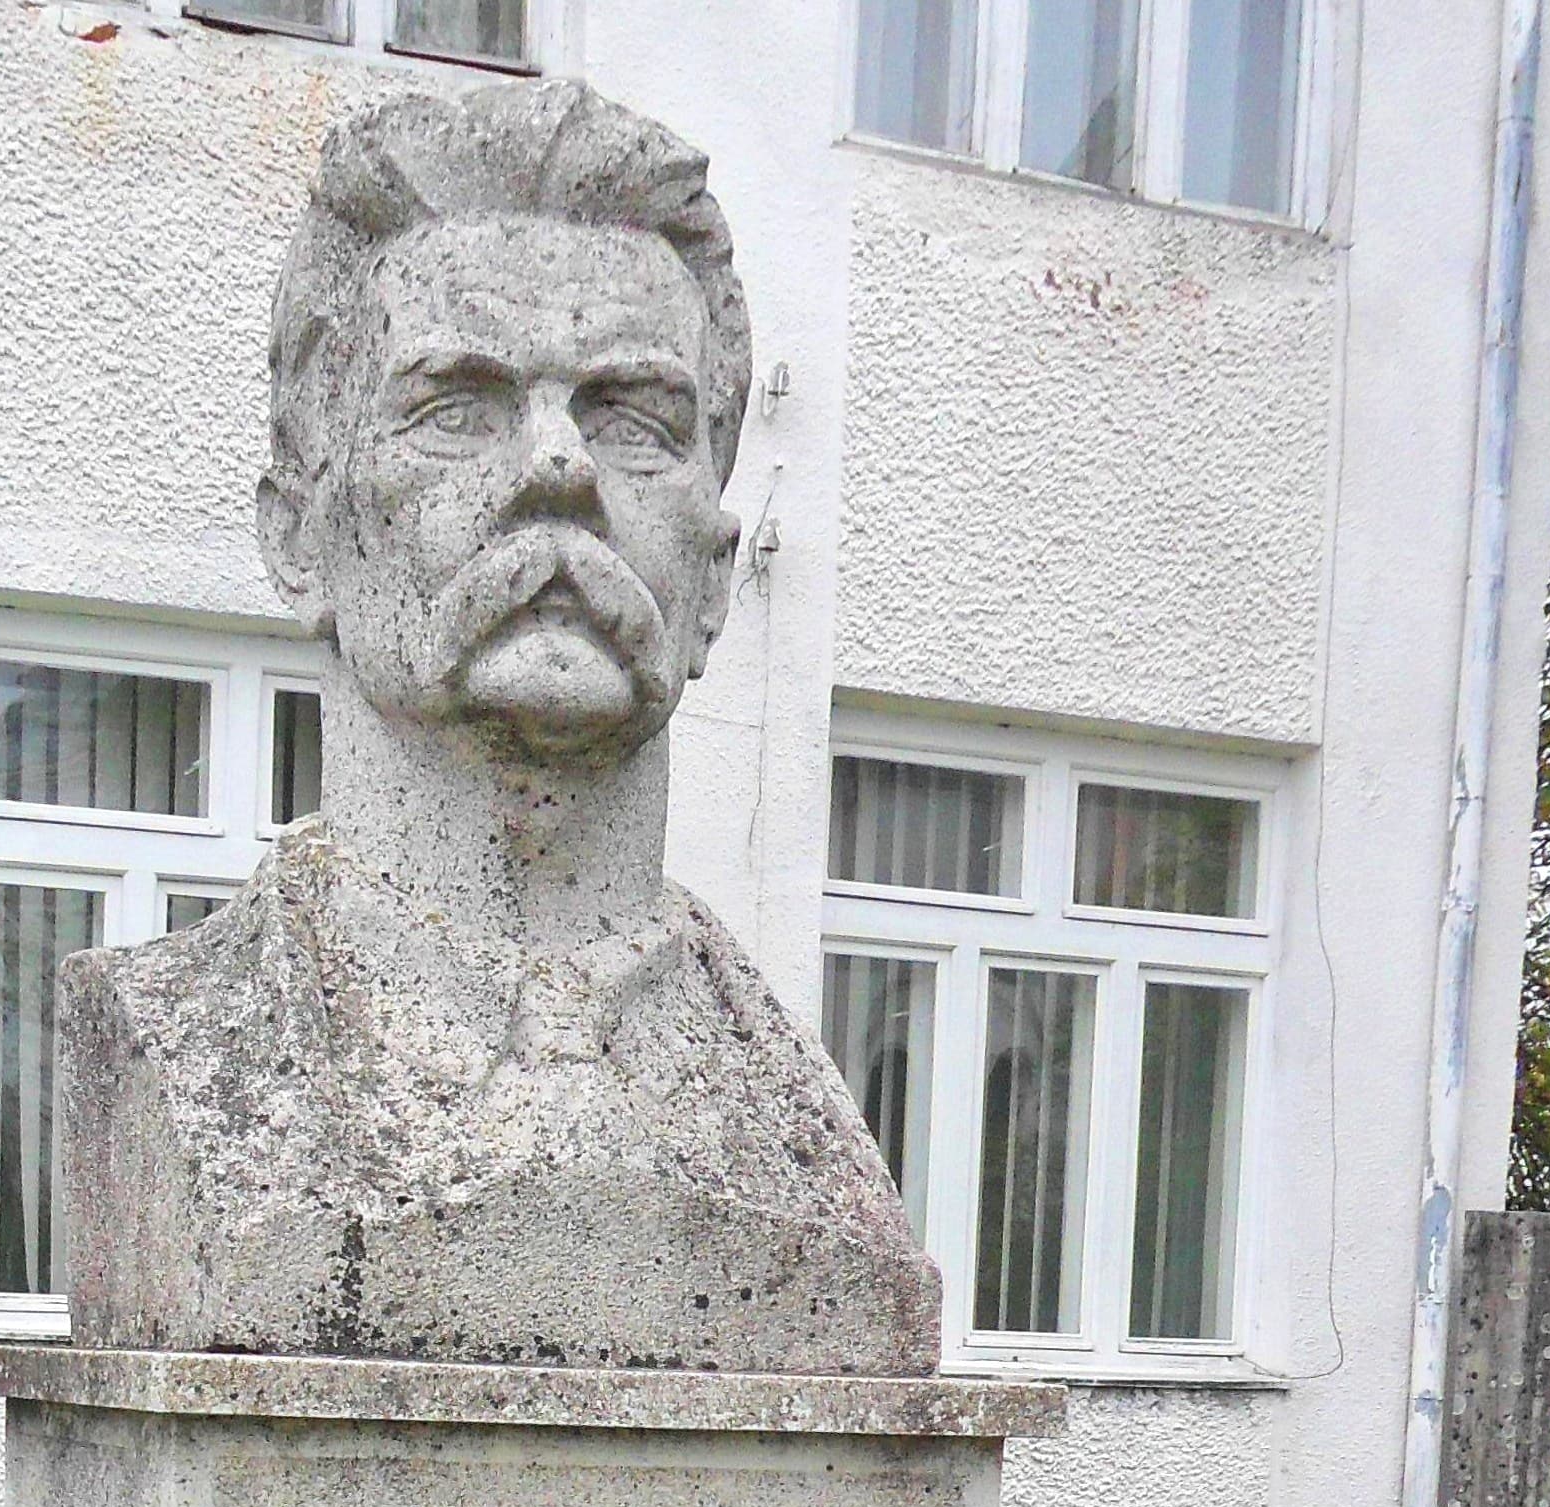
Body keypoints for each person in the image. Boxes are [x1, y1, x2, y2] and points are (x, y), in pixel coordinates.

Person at [63, 74, 939, 1375]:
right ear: (299, 537)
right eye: (454, 409)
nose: (556, 468)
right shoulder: (184, 1051)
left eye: (633, 420)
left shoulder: (805, 1150)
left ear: (714, 576)